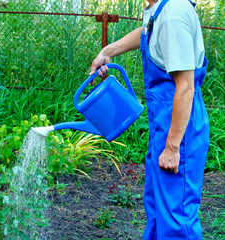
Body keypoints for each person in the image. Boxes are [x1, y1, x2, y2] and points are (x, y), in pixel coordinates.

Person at [89, 0, 210, 239]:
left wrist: (173, 148)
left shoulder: (174, 14)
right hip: (163, 125)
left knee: (177, 219)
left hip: (180, 129)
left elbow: (185, 88)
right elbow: (148, 32)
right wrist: (107, 52)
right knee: (157, 209)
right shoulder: (159, 9)